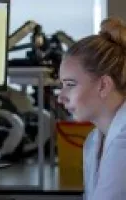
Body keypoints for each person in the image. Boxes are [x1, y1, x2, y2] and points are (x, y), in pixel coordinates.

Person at [58, 17, 126, 200]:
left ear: (103, 85)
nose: (60, 96)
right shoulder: (95, 139)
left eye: (70, 84)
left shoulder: (123, 141)